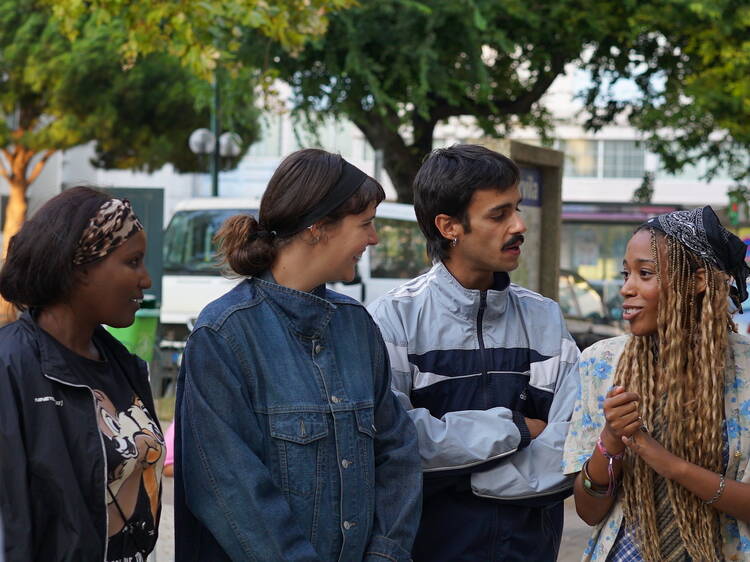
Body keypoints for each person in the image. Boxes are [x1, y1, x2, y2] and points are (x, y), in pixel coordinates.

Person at [174, 148, 422, 561]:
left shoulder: (357, 325)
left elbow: (397, 453)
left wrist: (385, 554)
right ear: (317, 228)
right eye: (365, 224)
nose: (373, 238)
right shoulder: (223, 334)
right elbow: (230, 490)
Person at [368, 144, 580, 561]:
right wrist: (517, 431)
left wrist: (461, 473)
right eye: (499, 214)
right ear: (449, 226)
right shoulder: (393, 320)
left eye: (517, 208)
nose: (519, 225)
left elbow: (573, 443)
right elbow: (396, 441)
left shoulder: (545, 319)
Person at [563, 206, 750, 561]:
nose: (625, 289)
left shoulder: (746, 369)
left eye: (644, 274)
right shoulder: (601, 364)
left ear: (696, 281)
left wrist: (669, 463)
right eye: (626, 274)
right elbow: (589, 512)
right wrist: (611, 440)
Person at [0, 187, 164, 562]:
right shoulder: (10, 367)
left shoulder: (126, 368)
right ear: (80, 267)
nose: (146, 280)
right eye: (133, 261)